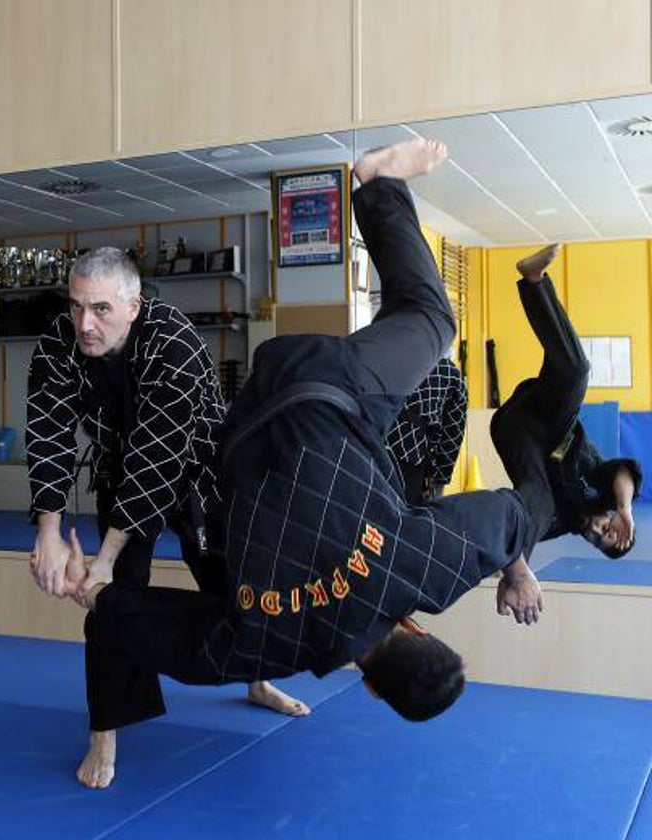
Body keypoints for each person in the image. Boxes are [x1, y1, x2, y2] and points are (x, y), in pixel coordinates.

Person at [66, 138, 547, 746]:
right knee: (217, 551)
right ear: (370, 687)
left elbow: (505, 515)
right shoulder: (271, 642)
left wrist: (517, 570)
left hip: (325, 383)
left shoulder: (422, 569)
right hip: (240, 429)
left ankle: (378, 184)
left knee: (433, 320)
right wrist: (101, 598)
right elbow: (181, 642)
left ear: (419, 632)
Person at [25, 246, 307, 790]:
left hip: (202, 471)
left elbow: (157, 458)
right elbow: (49, 433)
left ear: (133, 306)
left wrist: (102, 559)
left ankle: (256, 678)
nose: (85, 323)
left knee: (232, 585)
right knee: (111, 602)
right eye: (77, 305)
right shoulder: (58, 343)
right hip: (117, 470)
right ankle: (105, 728)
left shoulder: (173, 340)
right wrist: (49, 534)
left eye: (101, 309)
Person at [489, 244, 642, 578]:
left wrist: (517, 571)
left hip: (518, 438)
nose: (597, 531)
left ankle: (517, 574)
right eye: (607, 528)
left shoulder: (558, 521)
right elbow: (625, 473)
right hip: (549, 418)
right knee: (577, 372)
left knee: (536, 504)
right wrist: (625, 509)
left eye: (599, 540)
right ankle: (533, 281)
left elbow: (521, 525)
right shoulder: (603, 490)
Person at [386, 357, 467, 504]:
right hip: (411, 460)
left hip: (366, 451)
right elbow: (452, 436)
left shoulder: (377, 357)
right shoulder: (446, 371)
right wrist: (439, 481)